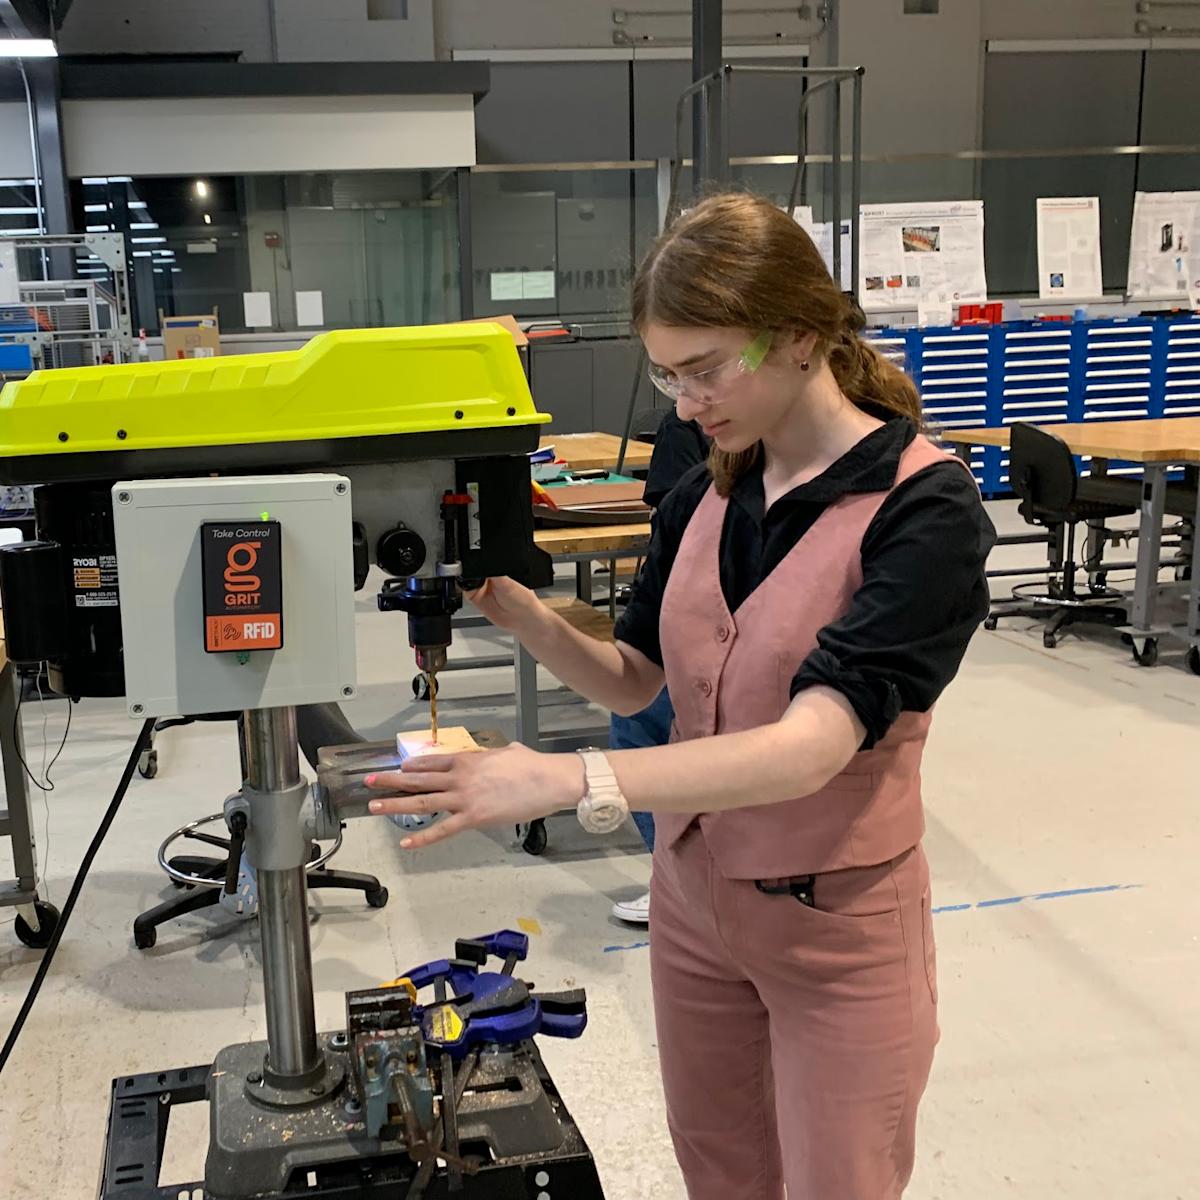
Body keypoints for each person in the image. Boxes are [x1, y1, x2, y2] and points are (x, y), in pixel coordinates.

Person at [366, 191, 995, 1199]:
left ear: (799, 336)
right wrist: (521, 613)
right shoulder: (706, 492)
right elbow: (639, 676)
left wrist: (569, 777)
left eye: (705, 369)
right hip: (693, 910)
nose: (687, 399)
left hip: (835, 925)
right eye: (667, 373)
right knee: (722, 1172)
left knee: (839, 1181)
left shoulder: (924, 510)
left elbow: (812, 745)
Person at [609, 408, 708, 925]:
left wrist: (566, 777)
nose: (689, 402)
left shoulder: (683, 428)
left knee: (644, 725)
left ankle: (674, 877)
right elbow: (628, 677)